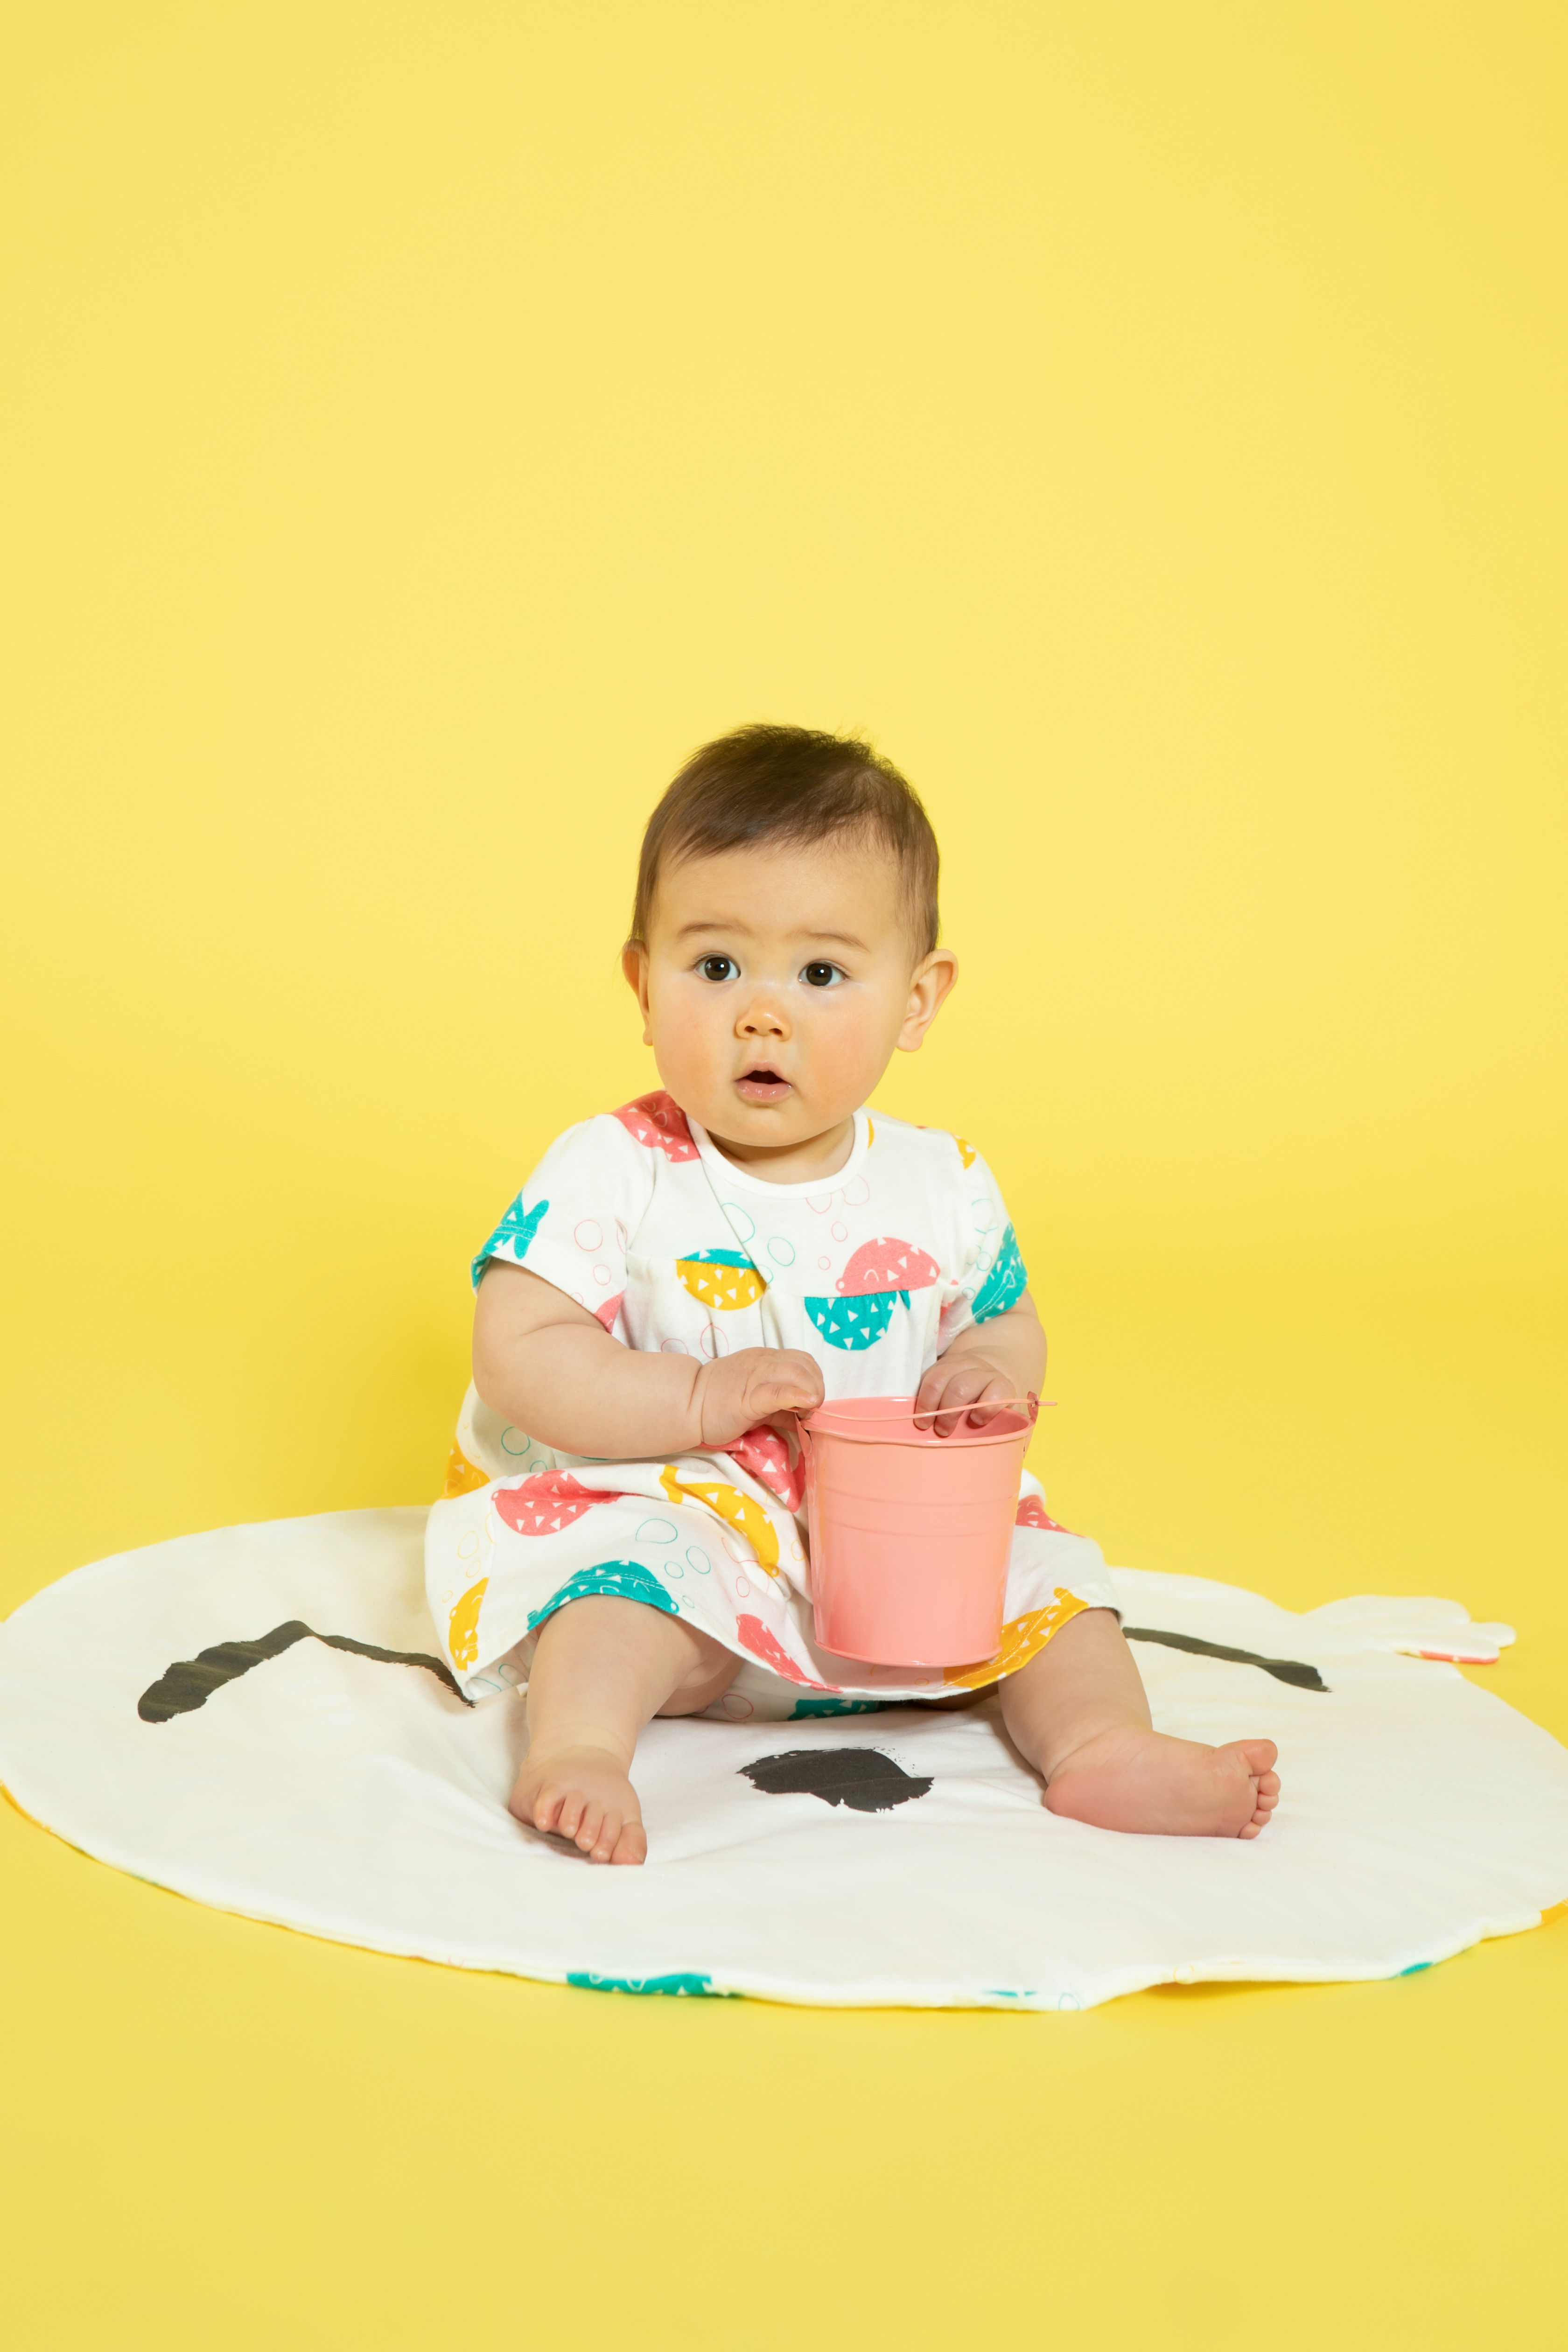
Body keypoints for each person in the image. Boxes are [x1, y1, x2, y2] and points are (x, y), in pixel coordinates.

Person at [426, 725, 1280, 1862]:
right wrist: (690, 1401)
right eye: (716, 966)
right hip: (693, 1523)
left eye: (822, 974)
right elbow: (518, 1342)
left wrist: (987, 1374)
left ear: (917, 1003)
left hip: (901, 1543)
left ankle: (1099, 1746)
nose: (762, 1014)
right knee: (614, 1597)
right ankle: (579, 1748)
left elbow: (1005, 1317)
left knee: (1060, 1591)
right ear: (642, 983)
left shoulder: (942, 1182)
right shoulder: (615, 1165)